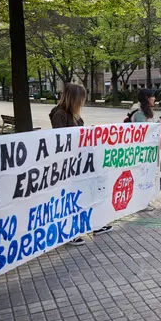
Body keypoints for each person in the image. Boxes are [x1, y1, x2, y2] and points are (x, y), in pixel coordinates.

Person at [51, 83, 114, 241]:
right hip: (70, 165)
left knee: (90, 193)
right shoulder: (60, 114)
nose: (83, 102)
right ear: (75, 99)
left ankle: (95, 224)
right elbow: (61, 140)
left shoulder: (74, 115)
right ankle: (71, 232)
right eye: (82, 98)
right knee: (74, 198)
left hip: (81, 163)